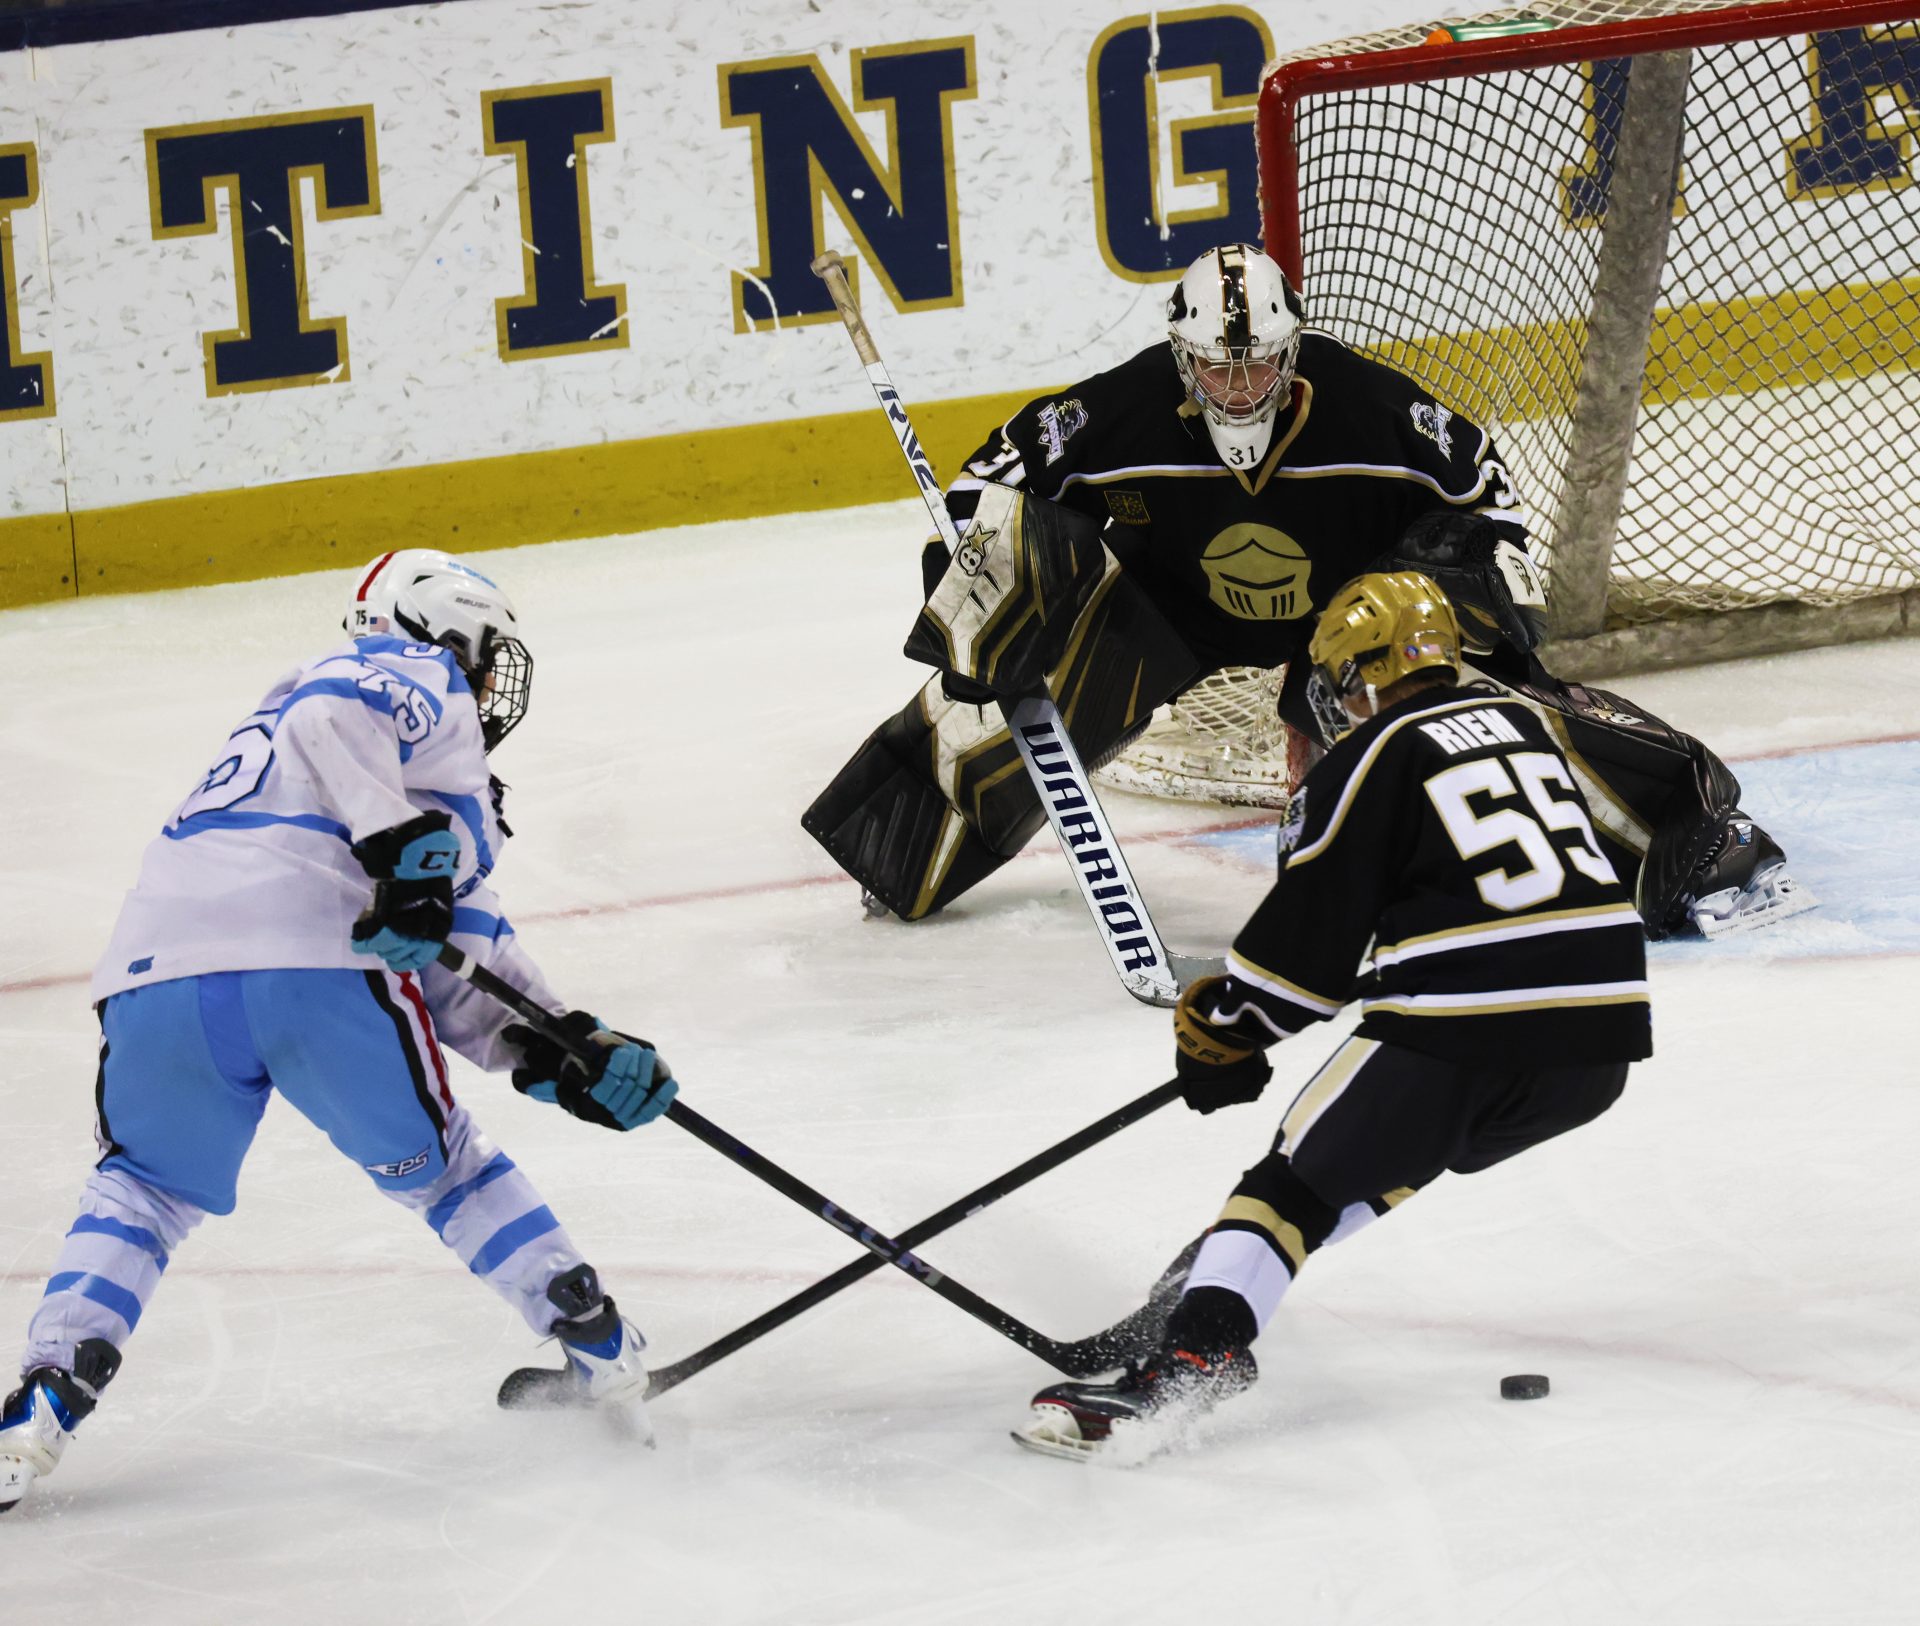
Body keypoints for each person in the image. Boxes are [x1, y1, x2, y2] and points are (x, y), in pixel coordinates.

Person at [803, 242, 1808, 942]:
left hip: (1346, 622)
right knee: (1017, 651)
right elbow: (987, 484)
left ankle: (1689, 832)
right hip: (1164, 614)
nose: (1239, 388)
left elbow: (1483, 492)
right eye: (1216, 369)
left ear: (1292, 351)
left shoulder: (1371, 410)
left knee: (1448, 713)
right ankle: (904, 844)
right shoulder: (1120, 411)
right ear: (1182, 356)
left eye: (1258, 367)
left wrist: (1457, 592)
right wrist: (974, 588)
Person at [0, 550, 678, 1514]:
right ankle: (600, 1345)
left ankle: (43, 1402)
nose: (491, 679)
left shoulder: (374, 775)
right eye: (488, 651)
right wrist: (399, 851)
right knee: (448, 1171)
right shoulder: (409, 674)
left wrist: (563, 1045)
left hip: (159, 975)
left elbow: (458, 951)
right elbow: (332, 708)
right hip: (320, 973)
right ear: (445, 630)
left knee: (141, 1190)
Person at [1014, 571, 1649, 1460]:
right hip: (1601, 1040)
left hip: (1463, 1026)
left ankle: (1193, 1360)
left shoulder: (1370, 756)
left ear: (1357, 674)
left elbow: (1306, 946)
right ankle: (1204, 1293)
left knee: (1288, 1190)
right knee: (1371, 1162)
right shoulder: (1526, 727)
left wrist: (1227, 1033)